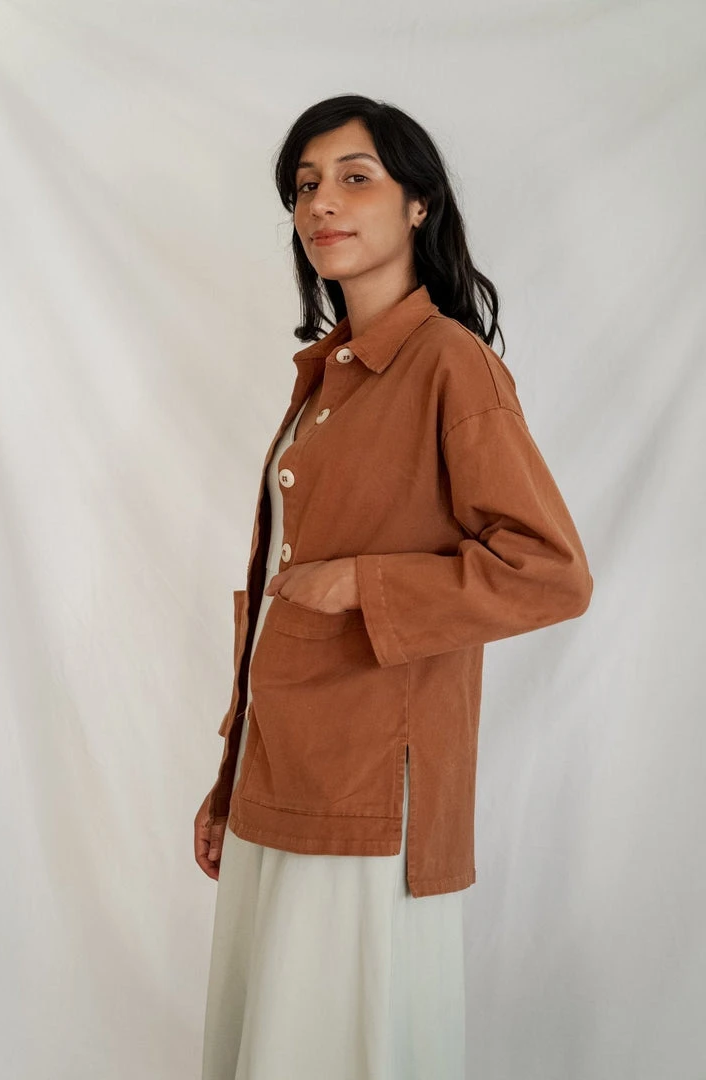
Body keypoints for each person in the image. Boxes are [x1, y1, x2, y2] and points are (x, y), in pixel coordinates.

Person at [194, 94, 593, 1080]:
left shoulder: (450, 364)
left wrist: (366, 584)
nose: (322, 203)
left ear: (419, 204)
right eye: (304, 186)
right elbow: (277, 591)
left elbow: (550, 571)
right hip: (280, 775)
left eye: (355, 178)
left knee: (337, 1049)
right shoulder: (326, 378)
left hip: (371, 792)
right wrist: (229, 777)